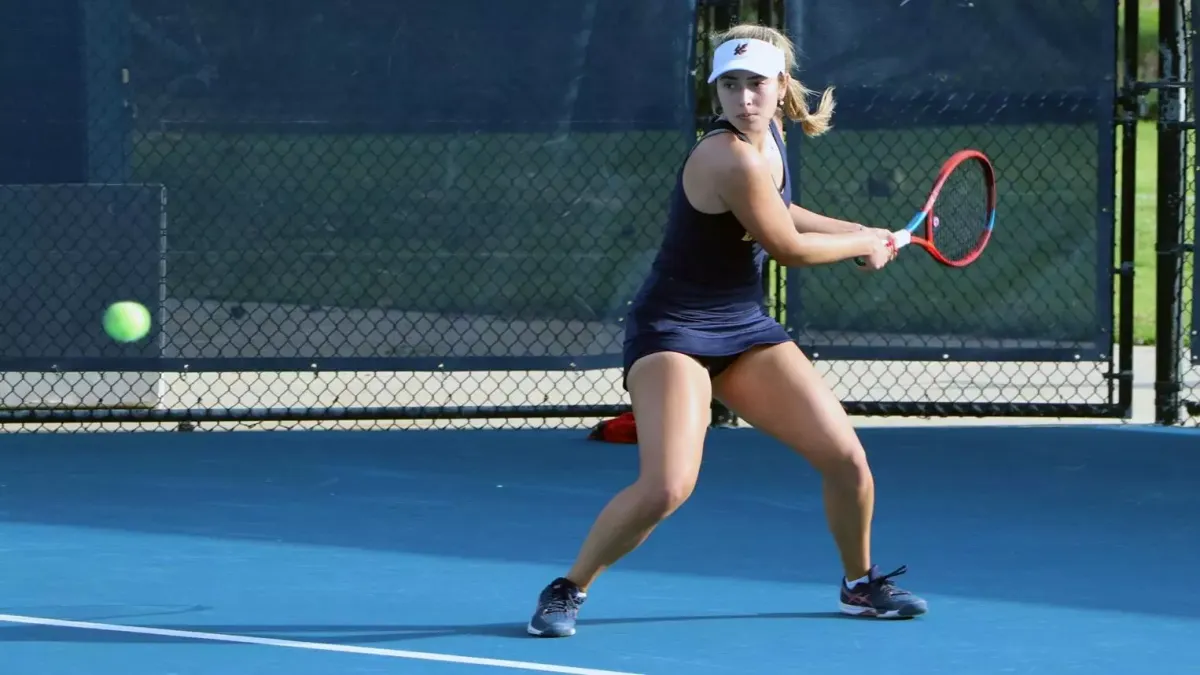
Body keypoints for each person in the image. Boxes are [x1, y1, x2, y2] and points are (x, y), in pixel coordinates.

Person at [526, 23, 928, 638]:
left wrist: (861, 231)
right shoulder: (725, 153)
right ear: (716, 91)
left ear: (780, 88)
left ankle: (859, 583)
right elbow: (786, 246)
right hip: (672, 332)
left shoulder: (770, 135)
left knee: (847, 459)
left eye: (756, 85)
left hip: (743, 327)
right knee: (667, 486)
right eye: (730, 85)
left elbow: (782, 209)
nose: (744, 98)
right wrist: (860, 245)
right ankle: (568, 587)